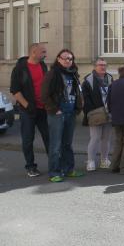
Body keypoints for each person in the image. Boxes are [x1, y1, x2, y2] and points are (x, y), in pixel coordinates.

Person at [41, 49, 84, 182]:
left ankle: (69, 169)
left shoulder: (73, 73)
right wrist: (55, 109)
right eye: (65, 58)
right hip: (57, 114)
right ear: (58, 59)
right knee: (55, 145)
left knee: (67, 143)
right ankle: (54, 172)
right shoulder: (53, 74)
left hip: (70, 113)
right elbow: (44, 95)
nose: (67, 61)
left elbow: (77, 92)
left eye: (70, 59)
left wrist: (78, 108)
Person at [10, 43, 49, 177]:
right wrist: (27, 105)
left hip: (43, 109)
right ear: (34, 52)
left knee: (49, 138)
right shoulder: (20, 69)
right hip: (28, 111)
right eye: (43, 52)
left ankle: (55, 164)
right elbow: (15, 90)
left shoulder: (43, 66)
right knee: (28, 139)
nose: (45, 54)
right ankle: (30, 167)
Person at [82, 58, 114, 171]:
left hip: (108, 113)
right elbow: (85, 99)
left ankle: (104, 160)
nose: (103, 67)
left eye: (105, 65)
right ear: (95, 66)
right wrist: (91, 112)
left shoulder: (110, 78)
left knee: (106, 138)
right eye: (100, 65)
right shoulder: (88, 80)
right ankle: (90, 161)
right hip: (95, 113)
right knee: (95, 138)